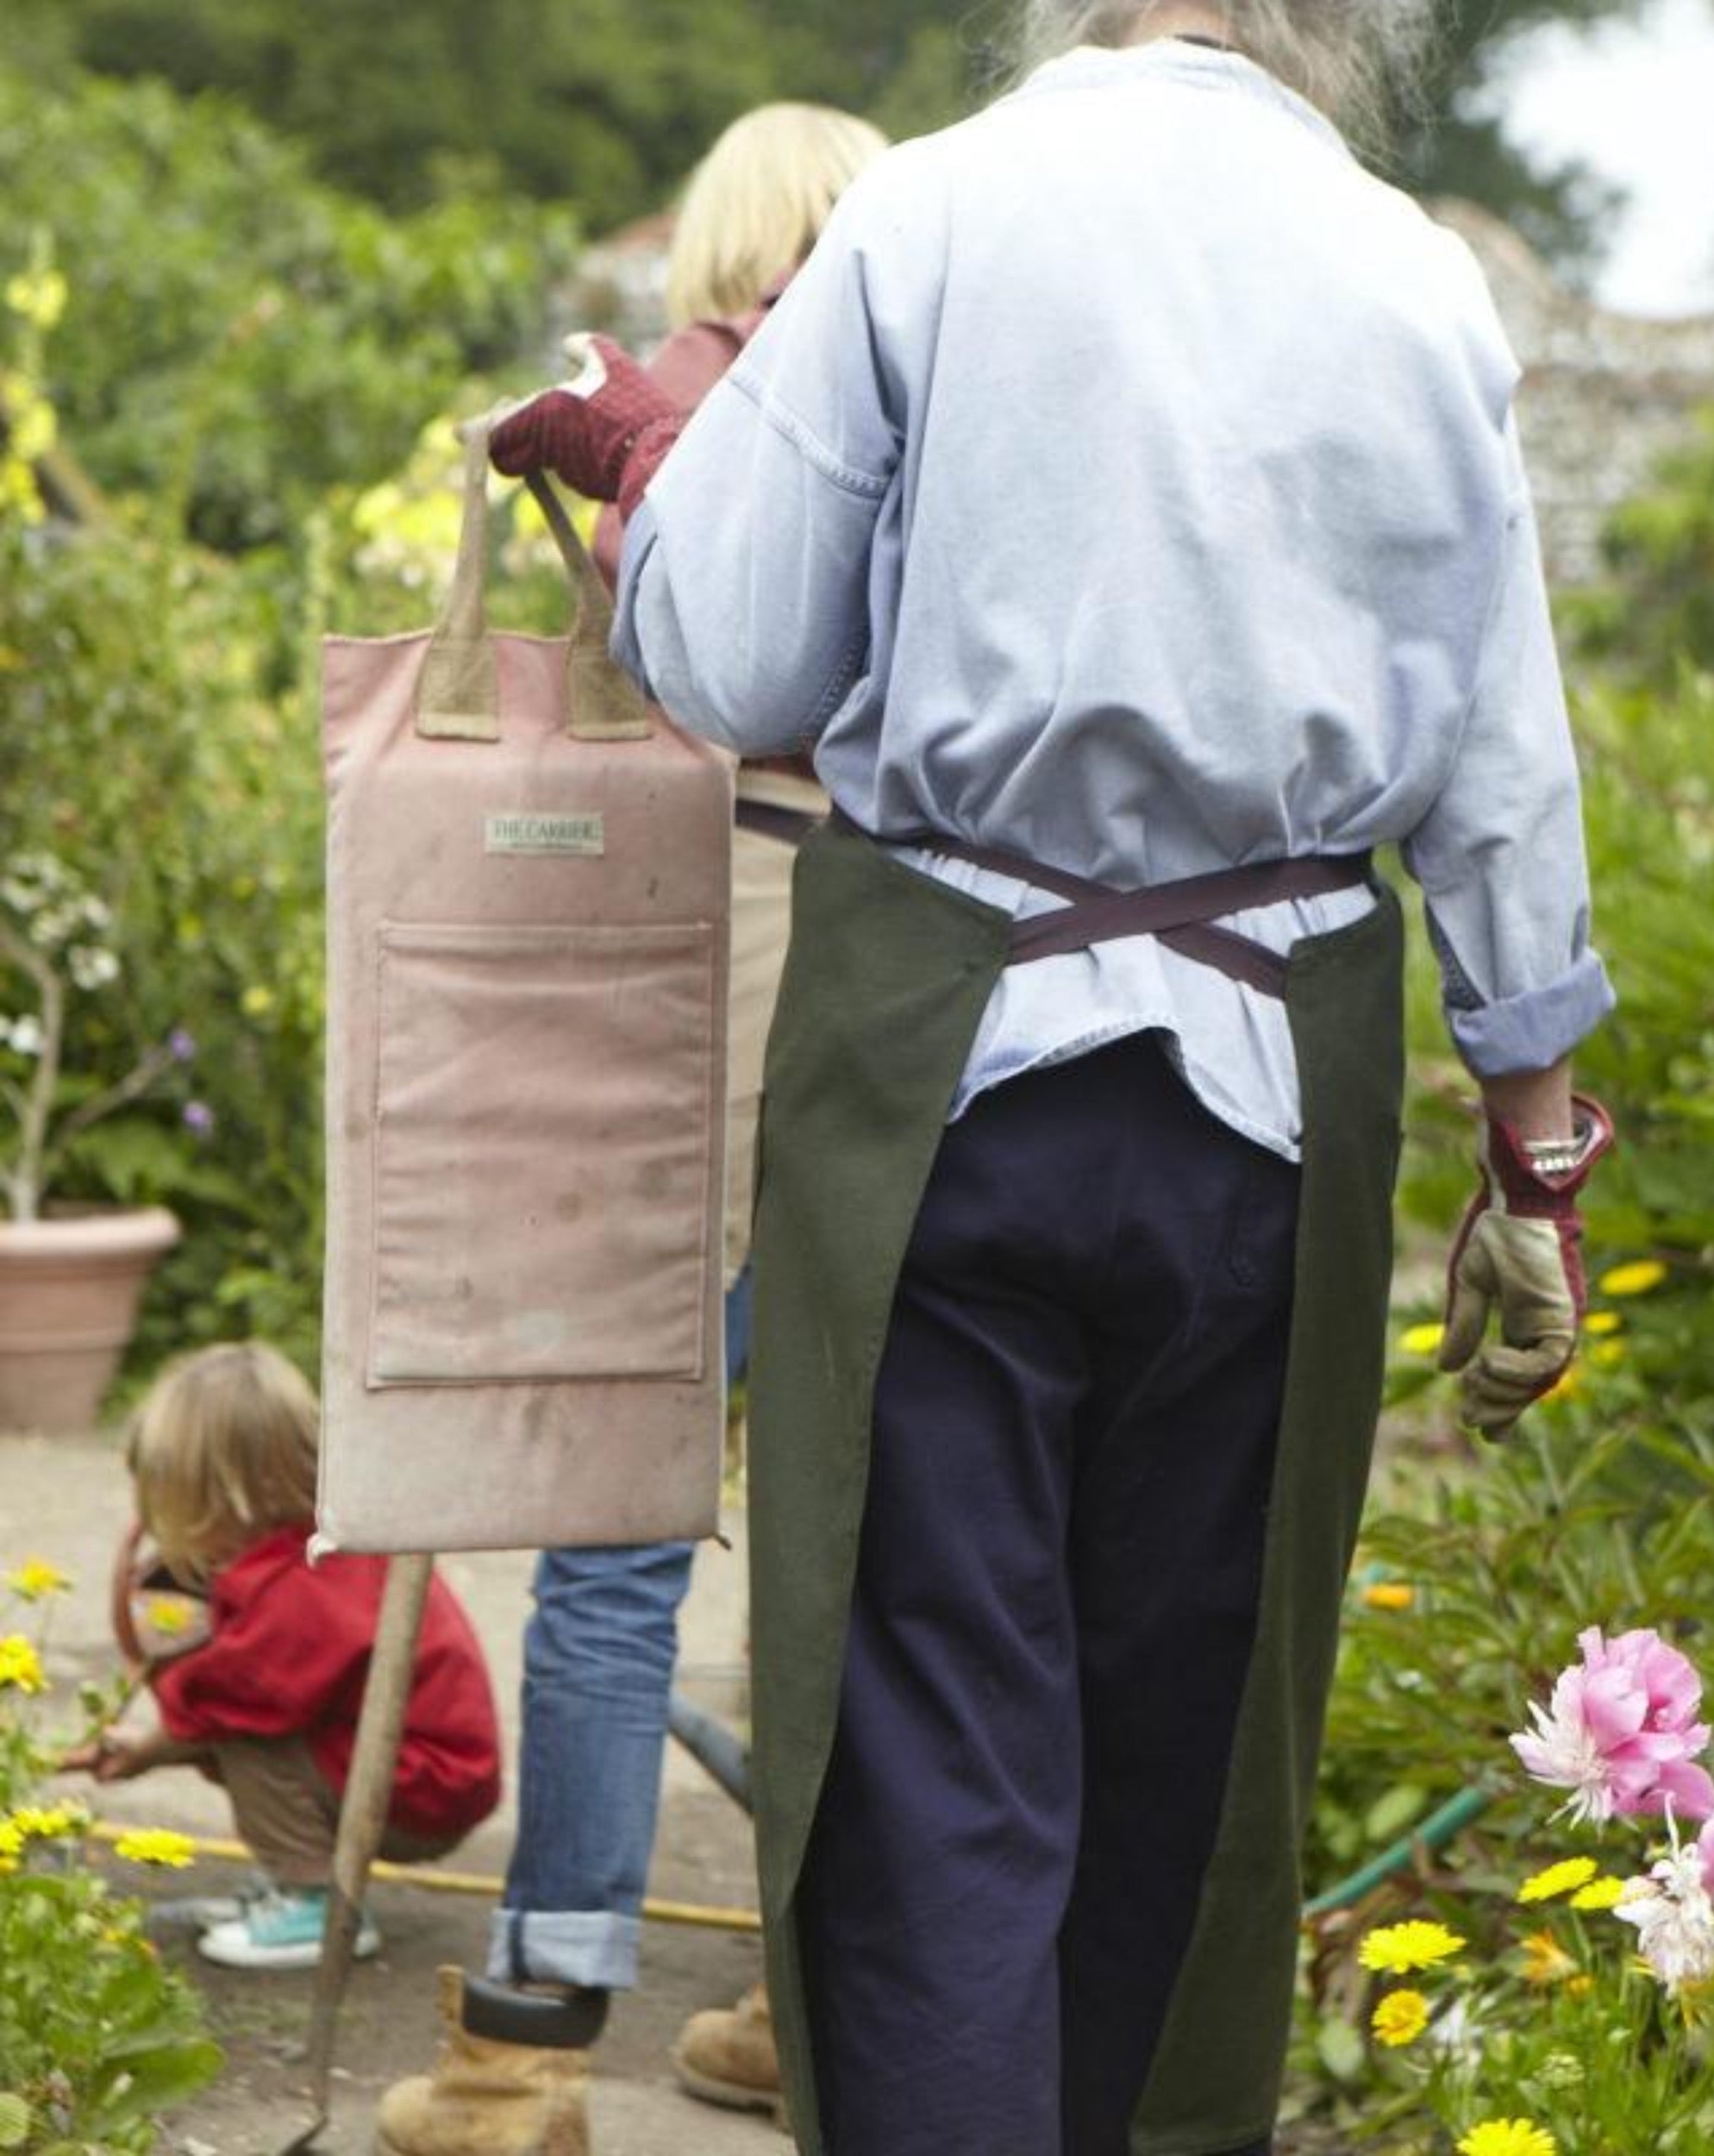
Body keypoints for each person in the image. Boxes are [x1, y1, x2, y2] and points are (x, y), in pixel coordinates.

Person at [490, 2, 1617, 2148]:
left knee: (927, 1743)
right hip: (1278, 1090)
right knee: (1196, 1757)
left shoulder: (931, 210)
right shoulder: (1412, 271)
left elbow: (730, 657)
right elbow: (1501, 756)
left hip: (950, 1064)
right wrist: (1534, 1147)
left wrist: (652, 484)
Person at [375, 100, 885, 2156]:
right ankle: (811, 1998)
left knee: (614, 1536)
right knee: (874, 1534)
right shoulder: (946, 421)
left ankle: (530, 2046)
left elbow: (666, 623)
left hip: (713, 959)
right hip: (924, 985)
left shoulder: (689, 409)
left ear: (722, 250)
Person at [64, 1343, 499, 1972]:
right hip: (412, 1765)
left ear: (234, 1496)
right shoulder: (316, 1540)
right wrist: (155, 1745)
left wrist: (165, 1727)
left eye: (178, 1509)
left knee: (245, 1731)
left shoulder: (304, 1578)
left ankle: (315, 1903)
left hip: (422, 1783)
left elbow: (237, 1697)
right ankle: (298, 1881)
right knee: (233, 1721)